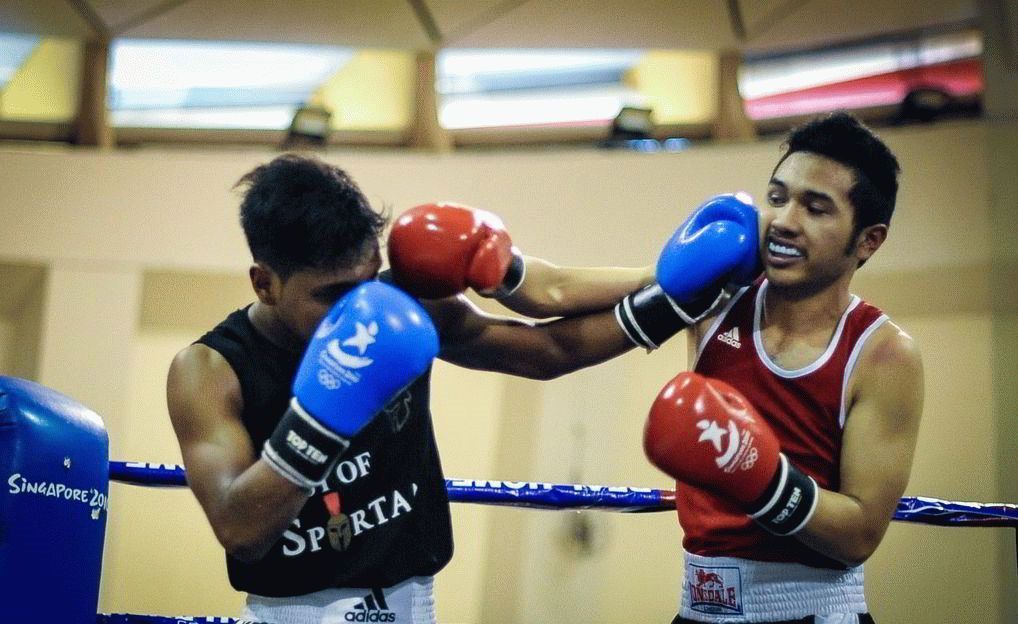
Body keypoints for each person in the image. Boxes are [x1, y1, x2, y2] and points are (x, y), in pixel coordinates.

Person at [165, 153, 760, 624]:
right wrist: (324, 410)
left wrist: (673, 296)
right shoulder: (209, 369)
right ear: (264, 283)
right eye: (329, 295)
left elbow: (549, 350)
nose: (359, 310)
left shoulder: (400, 304)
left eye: (365, 283)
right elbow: (241, 532)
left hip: (413, 603)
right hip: (289, 615)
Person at [642, 112, 924, 623]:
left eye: (815, 208)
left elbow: (860, 534)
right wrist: (507, 272)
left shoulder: (882, 353)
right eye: (777, 198)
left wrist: (761, 478)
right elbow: (564, 309)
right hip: (697, 608)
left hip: (815, 612)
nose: (784, 220)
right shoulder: (714, 300)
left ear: (868, 240)